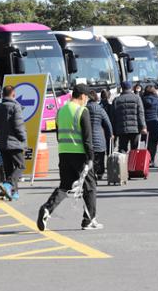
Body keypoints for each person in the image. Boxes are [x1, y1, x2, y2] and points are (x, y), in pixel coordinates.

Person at [37, 84, 102, 231]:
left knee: (65, 186)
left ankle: (47, 208)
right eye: (86, 97)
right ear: (83, 96)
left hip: (64, 153)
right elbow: (87, 138)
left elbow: (59, 134)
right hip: (80, 154)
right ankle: (89, 220)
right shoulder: (81, 111)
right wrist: (91, 158)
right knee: (90, 187)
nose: (86, 100)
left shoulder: (61, 111)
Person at [0, 85, 27, 201]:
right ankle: (7, 185)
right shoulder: (15, 107)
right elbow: (18, 126)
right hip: (14, 142)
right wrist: (23, 138)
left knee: (9, 169)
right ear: (13, 94)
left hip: (2, 142)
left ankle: (13, 193)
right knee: (20, 166)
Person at [112, 81, 147, 152]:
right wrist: (143, 127)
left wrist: (113, 131)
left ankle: (122, 163)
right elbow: (140, 113)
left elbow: (113, 116)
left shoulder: (116, 100)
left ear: (122, 88)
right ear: (131, 88)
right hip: (135, 128)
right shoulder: (137, 98)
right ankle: (133, 163)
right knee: (134, 149)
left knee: (122, 149)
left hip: (121, 129)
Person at [87, 91, 113, 180]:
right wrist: (110, 134)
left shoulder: (84, 109)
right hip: (99, 138)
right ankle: (100, 173)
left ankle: (92, 173)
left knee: (90, 157)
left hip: (88, 138)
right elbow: (107, 123)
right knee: (100, 157)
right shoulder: (100, 109)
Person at [142, 85, 158, 167]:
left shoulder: (142, 100)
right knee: (154, 143)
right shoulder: (157, 100)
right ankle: (152, 159)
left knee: (147, 142)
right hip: (155, 123)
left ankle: (147, 159)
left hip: (145, 123)